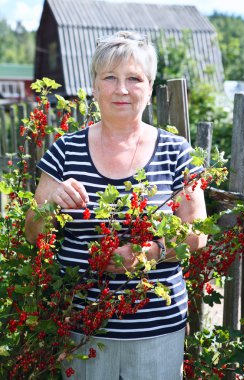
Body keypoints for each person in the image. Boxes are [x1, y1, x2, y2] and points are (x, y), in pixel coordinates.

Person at [25, 31, 207, 380]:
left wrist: (150, 253)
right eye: (110, 77)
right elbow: (34, 233)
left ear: (149, 87)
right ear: (95, 87)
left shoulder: (176, 151)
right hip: (81, 330)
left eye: (134, 78)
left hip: (156, 328)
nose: (121, 89)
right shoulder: (65, 151)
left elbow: (198, 234)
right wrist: (51, 206)